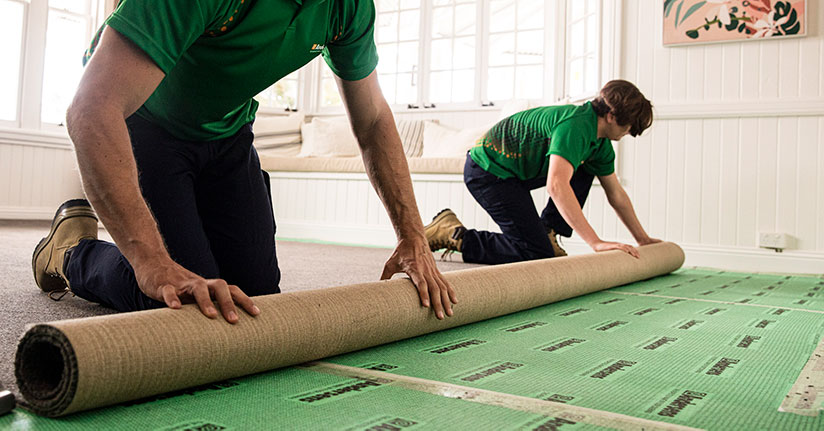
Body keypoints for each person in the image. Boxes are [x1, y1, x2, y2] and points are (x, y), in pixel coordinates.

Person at [32, 0, 457, 323]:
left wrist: (412, 236)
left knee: (255, 302)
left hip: (227, 132)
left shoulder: (347, 8)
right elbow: (91, 109)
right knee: (179, 297)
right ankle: (71, 254)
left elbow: (373, 117)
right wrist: (152, 262)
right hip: (144, 122)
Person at [424, 80, 661, 264]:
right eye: (628, 126)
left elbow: (616, 194)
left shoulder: (599, 144)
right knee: (536, 254)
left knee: (586, 168)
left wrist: (642, 239)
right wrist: (596, 243)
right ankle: (453, 234)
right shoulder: (575, 126)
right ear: (611, 116)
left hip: (514, 174)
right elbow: (556, 186)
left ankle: (548, 230)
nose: (628, 132)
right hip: (487, 171)